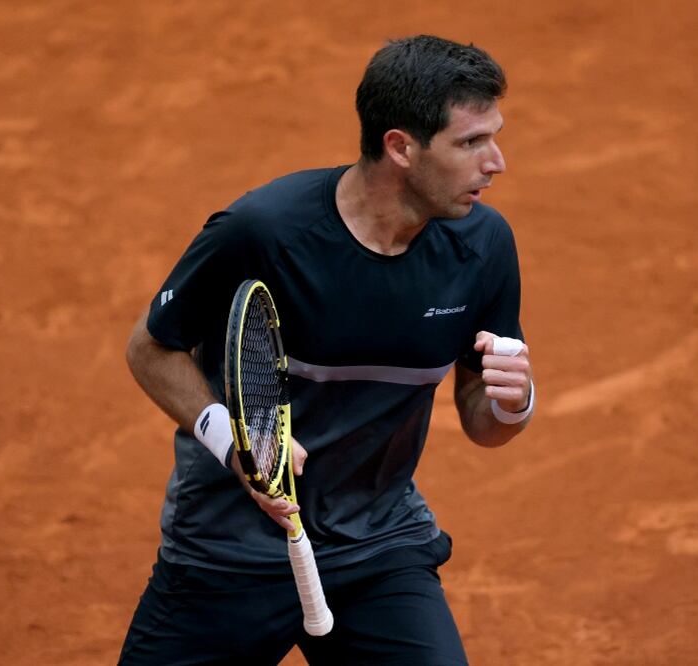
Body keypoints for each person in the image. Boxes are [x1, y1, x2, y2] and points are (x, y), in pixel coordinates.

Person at [119, 34, 534, 666]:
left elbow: (485, 421)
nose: (497, 161)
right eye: (472, 142)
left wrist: (513, 405)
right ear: (400, 147)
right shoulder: (263, 232)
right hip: (229, 550)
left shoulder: (482, 248)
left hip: (377, 545)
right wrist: (240, 446)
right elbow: (152, 348)